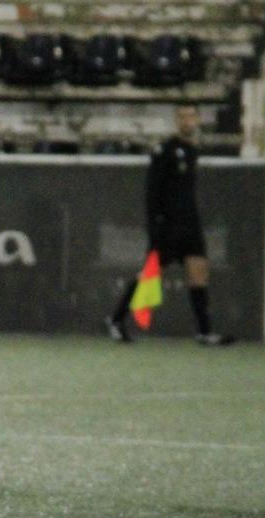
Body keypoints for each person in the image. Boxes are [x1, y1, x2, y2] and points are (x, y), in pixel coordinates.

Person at [105, 103, 233, 345]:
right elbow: (153, 191)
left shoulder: (193, 149)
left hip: (190, 223)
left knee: (199, 272)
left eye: (191, 116)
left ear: (197, 120)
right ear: (177, 120)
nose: (187, 121)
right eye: (183, 117)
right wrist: (156, 226)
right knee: (149, 275)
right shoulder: (164, 149)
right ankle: (115, 319)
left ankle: (204, 332)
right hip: (169, 225)